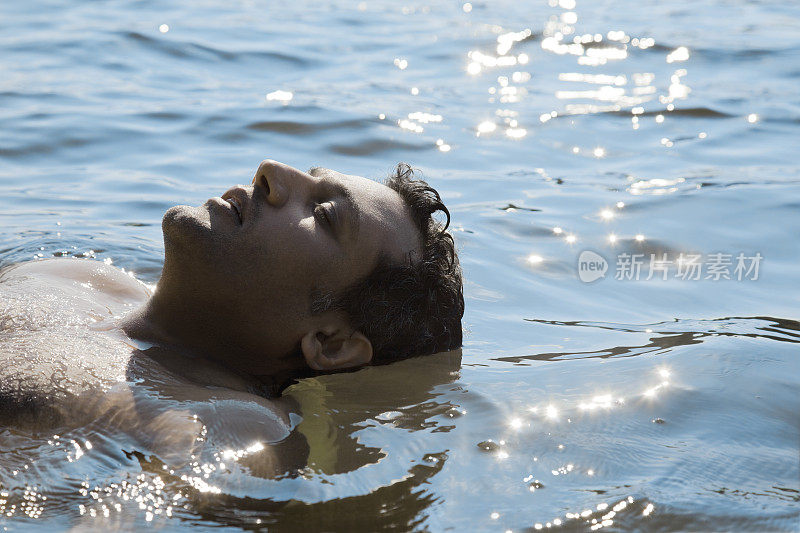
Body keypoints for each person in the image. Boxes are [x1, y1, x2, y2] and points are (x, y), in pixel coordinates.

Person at [0, 160, 463, 470]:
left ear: (331, 342)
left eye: (323, 213)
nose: (271, 171)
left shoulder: (229, 423)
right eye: (308, 173)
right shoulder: (65, 274)